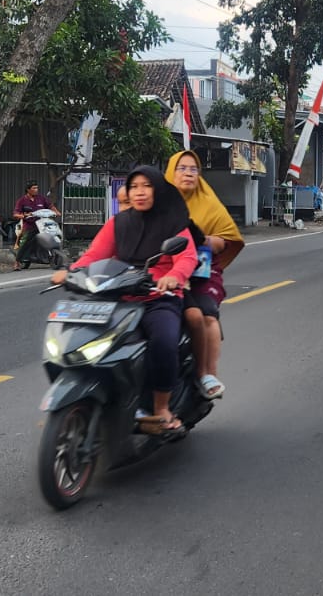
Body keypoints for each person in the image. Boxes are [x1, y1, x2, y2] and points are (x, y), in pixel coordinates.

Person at [53, 166, 198, 434]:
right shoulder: (118, 223)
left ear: (158, 189)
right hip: (118, 295)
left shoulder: (174, 222)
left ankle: (161, 406)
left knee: (163, 341)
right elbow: (94, 255)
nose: (139, 192)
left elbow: (187, 257)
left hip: (158, 297)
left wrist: (174, 276)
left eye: (146, 186)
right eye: (134, 187)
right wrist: (71, 272)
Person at [166, 150, 245, 401]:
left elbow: (227, 239)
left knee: (206, 316)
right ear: (170, 172)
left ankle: (208, 374)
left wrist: (204, 241)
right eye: (182, 168)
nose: (188, 174)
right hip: (163, 270)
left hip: (202, 271)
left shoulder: (209, 203)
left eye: (193, 169)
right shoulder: (159, 202)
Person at [13, 180, 61, 270]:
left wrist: (56, 212)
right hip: (29, 226)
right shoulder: (22, 201)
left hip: (42, 224)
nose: (36, 189)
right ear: (28, 190)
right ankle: (17, 262)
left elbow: (50, 206)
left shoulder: (41, 198)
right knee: (25, 242)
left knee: (52, 234)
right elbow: (15, 213)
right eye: (34, 188)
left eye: (37, 187)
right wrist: (24, 215)